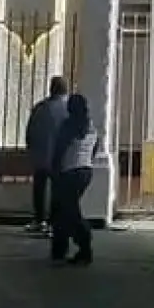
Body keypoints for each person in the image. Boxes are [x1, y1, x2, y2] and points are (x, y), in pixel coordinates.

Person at [49, 94, 99, 265]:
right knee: (66, 209)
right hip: (85, 171)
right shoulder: (91, 126)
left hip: (68, 172)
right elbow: (94, 149)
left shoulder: (68, 125)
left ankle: (83, 245)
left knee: (68, 212)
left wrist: (54, 170)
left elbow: (59, 150)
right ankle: (61, 248)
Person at [24, 75, 70, 235]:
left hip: (41, 157)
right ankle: (53, 224)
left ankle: (39, 220)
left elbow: (29, 133)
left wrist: (32, 151)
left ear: (51, 89)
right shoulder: (68, 109)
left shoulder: (40, 108)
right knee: (58, 191)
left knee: (39, 189)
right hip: (61, 157)